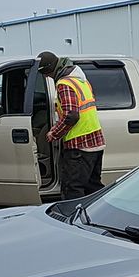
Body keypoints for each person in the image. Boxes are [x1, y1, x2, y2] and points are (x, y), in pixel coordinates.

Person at [38, 51, 105, 200]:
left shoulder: (64, 84)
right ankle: (100, 215)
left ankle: (71, 221)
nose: (46, 78)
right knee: (92, 187)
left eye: (45, 74)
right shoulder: (81, 81)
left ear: (49, 70)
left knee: (72, 188)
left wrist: (54, 133)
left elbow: (72, 115)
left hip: (79, 145)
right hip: (95, 142)